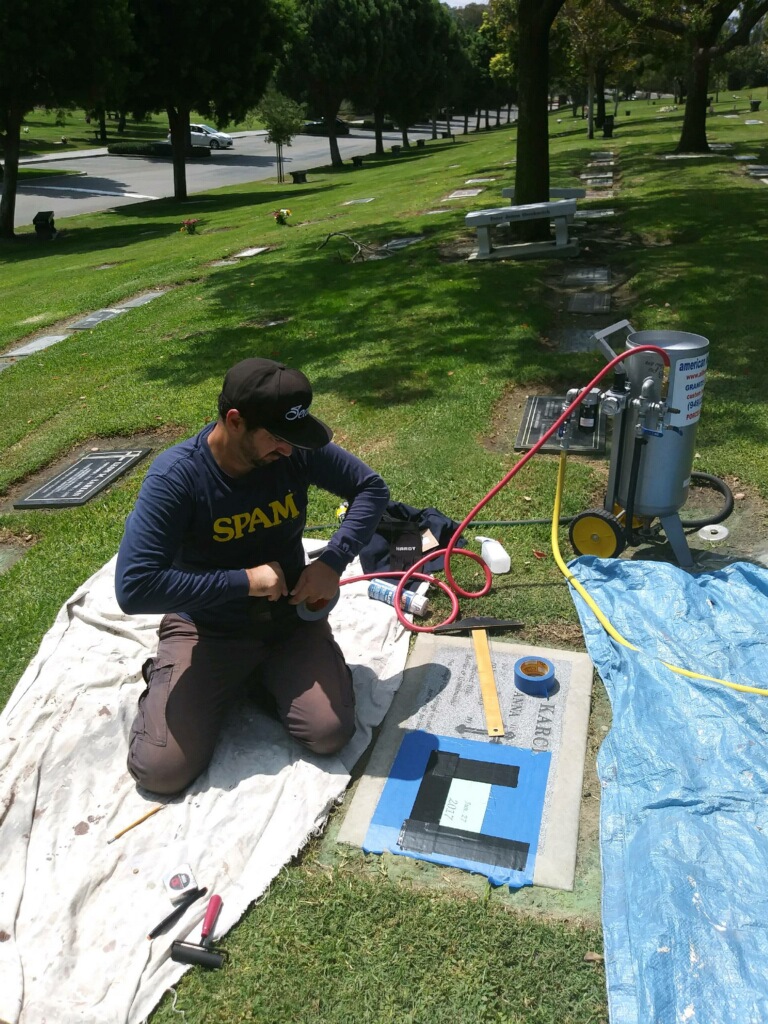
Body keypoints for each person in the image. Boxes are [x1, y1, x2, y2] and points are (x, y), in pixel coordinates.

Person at [115, 357, 389, 795]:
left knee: (329, 732)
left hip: (288, 622)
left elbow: (371, 488)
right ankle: (181, 674)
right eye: (278, 438)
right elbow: (134, 587)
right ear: (235, 421)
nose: (288, 450)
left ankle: (263, 678)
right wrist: (243, 581)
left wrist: (333, 562)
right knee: (159, 770)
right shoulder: (177, 477)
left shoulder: (293, 451)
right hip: (210, 628)